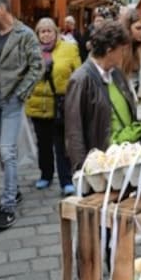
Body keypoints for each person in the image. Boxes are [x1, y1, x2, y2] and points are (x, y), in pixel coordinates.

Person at [0, 0, 43, 230]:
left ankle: (7, 207)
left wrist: (20, 94)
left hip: (11, 101)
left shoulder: (25, 35)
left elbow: (37, 67)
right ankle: (13, 191)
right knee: (0, 151)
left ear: (2, 8)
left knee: (7, 152)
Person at [65, 20, 136, 171]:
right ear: (110, 50)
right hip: (102, 165)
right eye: (122, 49)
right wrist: (82, 170)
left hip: (125, 160)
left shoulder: (117, 74)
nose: (125, 54)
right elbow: (74, 131)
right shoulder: (81, 80)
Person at [25, 18, 81, 195]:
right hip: (38, 105)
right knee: (43, 144)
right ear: (37, 34)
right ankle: (46, 175)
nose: (46, 34)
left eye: (49, 31)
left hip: (61, 105)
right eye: (42, 31)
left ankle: (66, 180)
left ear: (56, 33)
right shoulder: (30, 51)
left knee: (61, 145)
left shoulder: (69, 48)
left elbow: (78, 75)